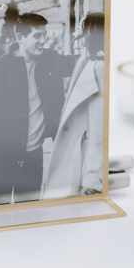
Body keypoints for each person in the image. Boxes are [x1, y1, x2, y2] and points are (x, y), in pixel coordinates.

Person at [43, 14, 106, 199]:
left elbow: (99, 127)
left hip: (81, 158)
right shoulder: (84, 61)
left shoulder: (99, 67)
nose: (79, 33)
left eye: (83, 28)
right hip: (72, 149)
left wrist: (92, 179)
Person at [0, 9, 46, 203]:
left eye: (44, 36)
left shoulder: (48, 64)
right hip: (3, 159)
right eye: (37, 36)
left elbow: (76, 62)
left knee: (30, 214)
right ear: (20, 37)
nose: (43, 41)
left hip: (34, 159)